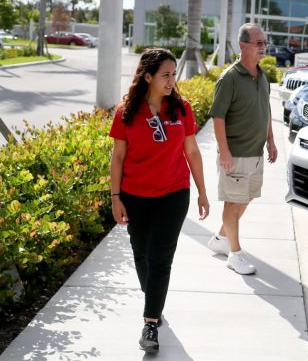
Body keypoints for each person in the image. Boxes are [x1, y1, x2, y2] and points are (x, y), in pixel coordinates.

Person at [109, 48, 210, 353]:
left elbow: (192, 152)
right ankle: (154, 299)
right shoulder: (127, 111)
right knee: (141, 253)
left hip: (173, 194)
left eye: (174, 74)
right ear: (148, 77)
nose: (171, 80)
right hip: (135, 195)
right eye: (165, 74)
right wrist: (115, 197)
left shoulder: (182, 109)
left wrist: (202, 191)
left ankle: (150, 323)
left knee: (160, 258)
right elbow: (118, 157)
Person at [206, 23, 278, 274]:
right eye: (258, 43)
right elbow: (218, 117)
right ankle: (234, 254)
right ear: (243, 45)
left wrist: (271, 140)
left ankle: (220, 238)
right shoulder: (230, 78)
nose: (263, 47)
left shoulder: (262, 76)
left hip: (255, 153)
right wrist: (223, 151)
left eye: (264, 42)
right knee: (232, 203)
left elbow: (266, 109)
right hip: (235, 153)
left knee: (245, 199)